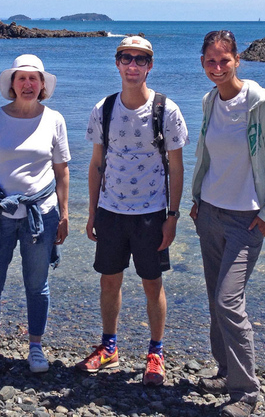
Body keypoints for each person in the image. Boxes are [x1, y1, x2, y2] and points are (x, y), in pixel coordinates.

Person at [76, 36, 188, 386]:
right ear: (117, 63)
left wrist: (172, 216)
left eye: (141, 60)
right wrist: (92, 212)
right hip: (110, 210)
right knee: (109, 281)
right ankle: (109, 347)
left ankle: (156, 353)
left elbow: (177, 167)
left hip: (151, 213)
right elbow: (97, 164)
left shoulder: (165, 110)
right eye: (127, 58)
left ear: (150, 66)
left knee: (152, 284)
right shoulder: (104, 109)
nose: (133, 65)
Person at [190, 30, 265, 417]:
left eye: (224, 60)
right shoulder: (210, 101)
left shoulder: (261, 103)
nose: (217, 67)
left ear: (237, 60)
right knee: (215, 298)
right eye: (210, 61)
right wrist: (197, 200)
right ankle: (225, 370)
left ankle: (246, 392)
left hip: (246, 221)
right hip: (210, 213)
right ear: (202, 63)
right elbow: (207, 156)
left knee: (228, 301)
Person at [0, 54, 70, 374]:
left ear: (42, 86)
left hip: (41, 215)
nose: (27, 84)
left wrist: (65, 215)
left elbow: (62, 172)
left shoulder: (54, 119)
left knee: (37, 284)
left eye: (33, 79)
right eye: (21, 78)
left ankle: (35, 346)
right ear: (12, 84)